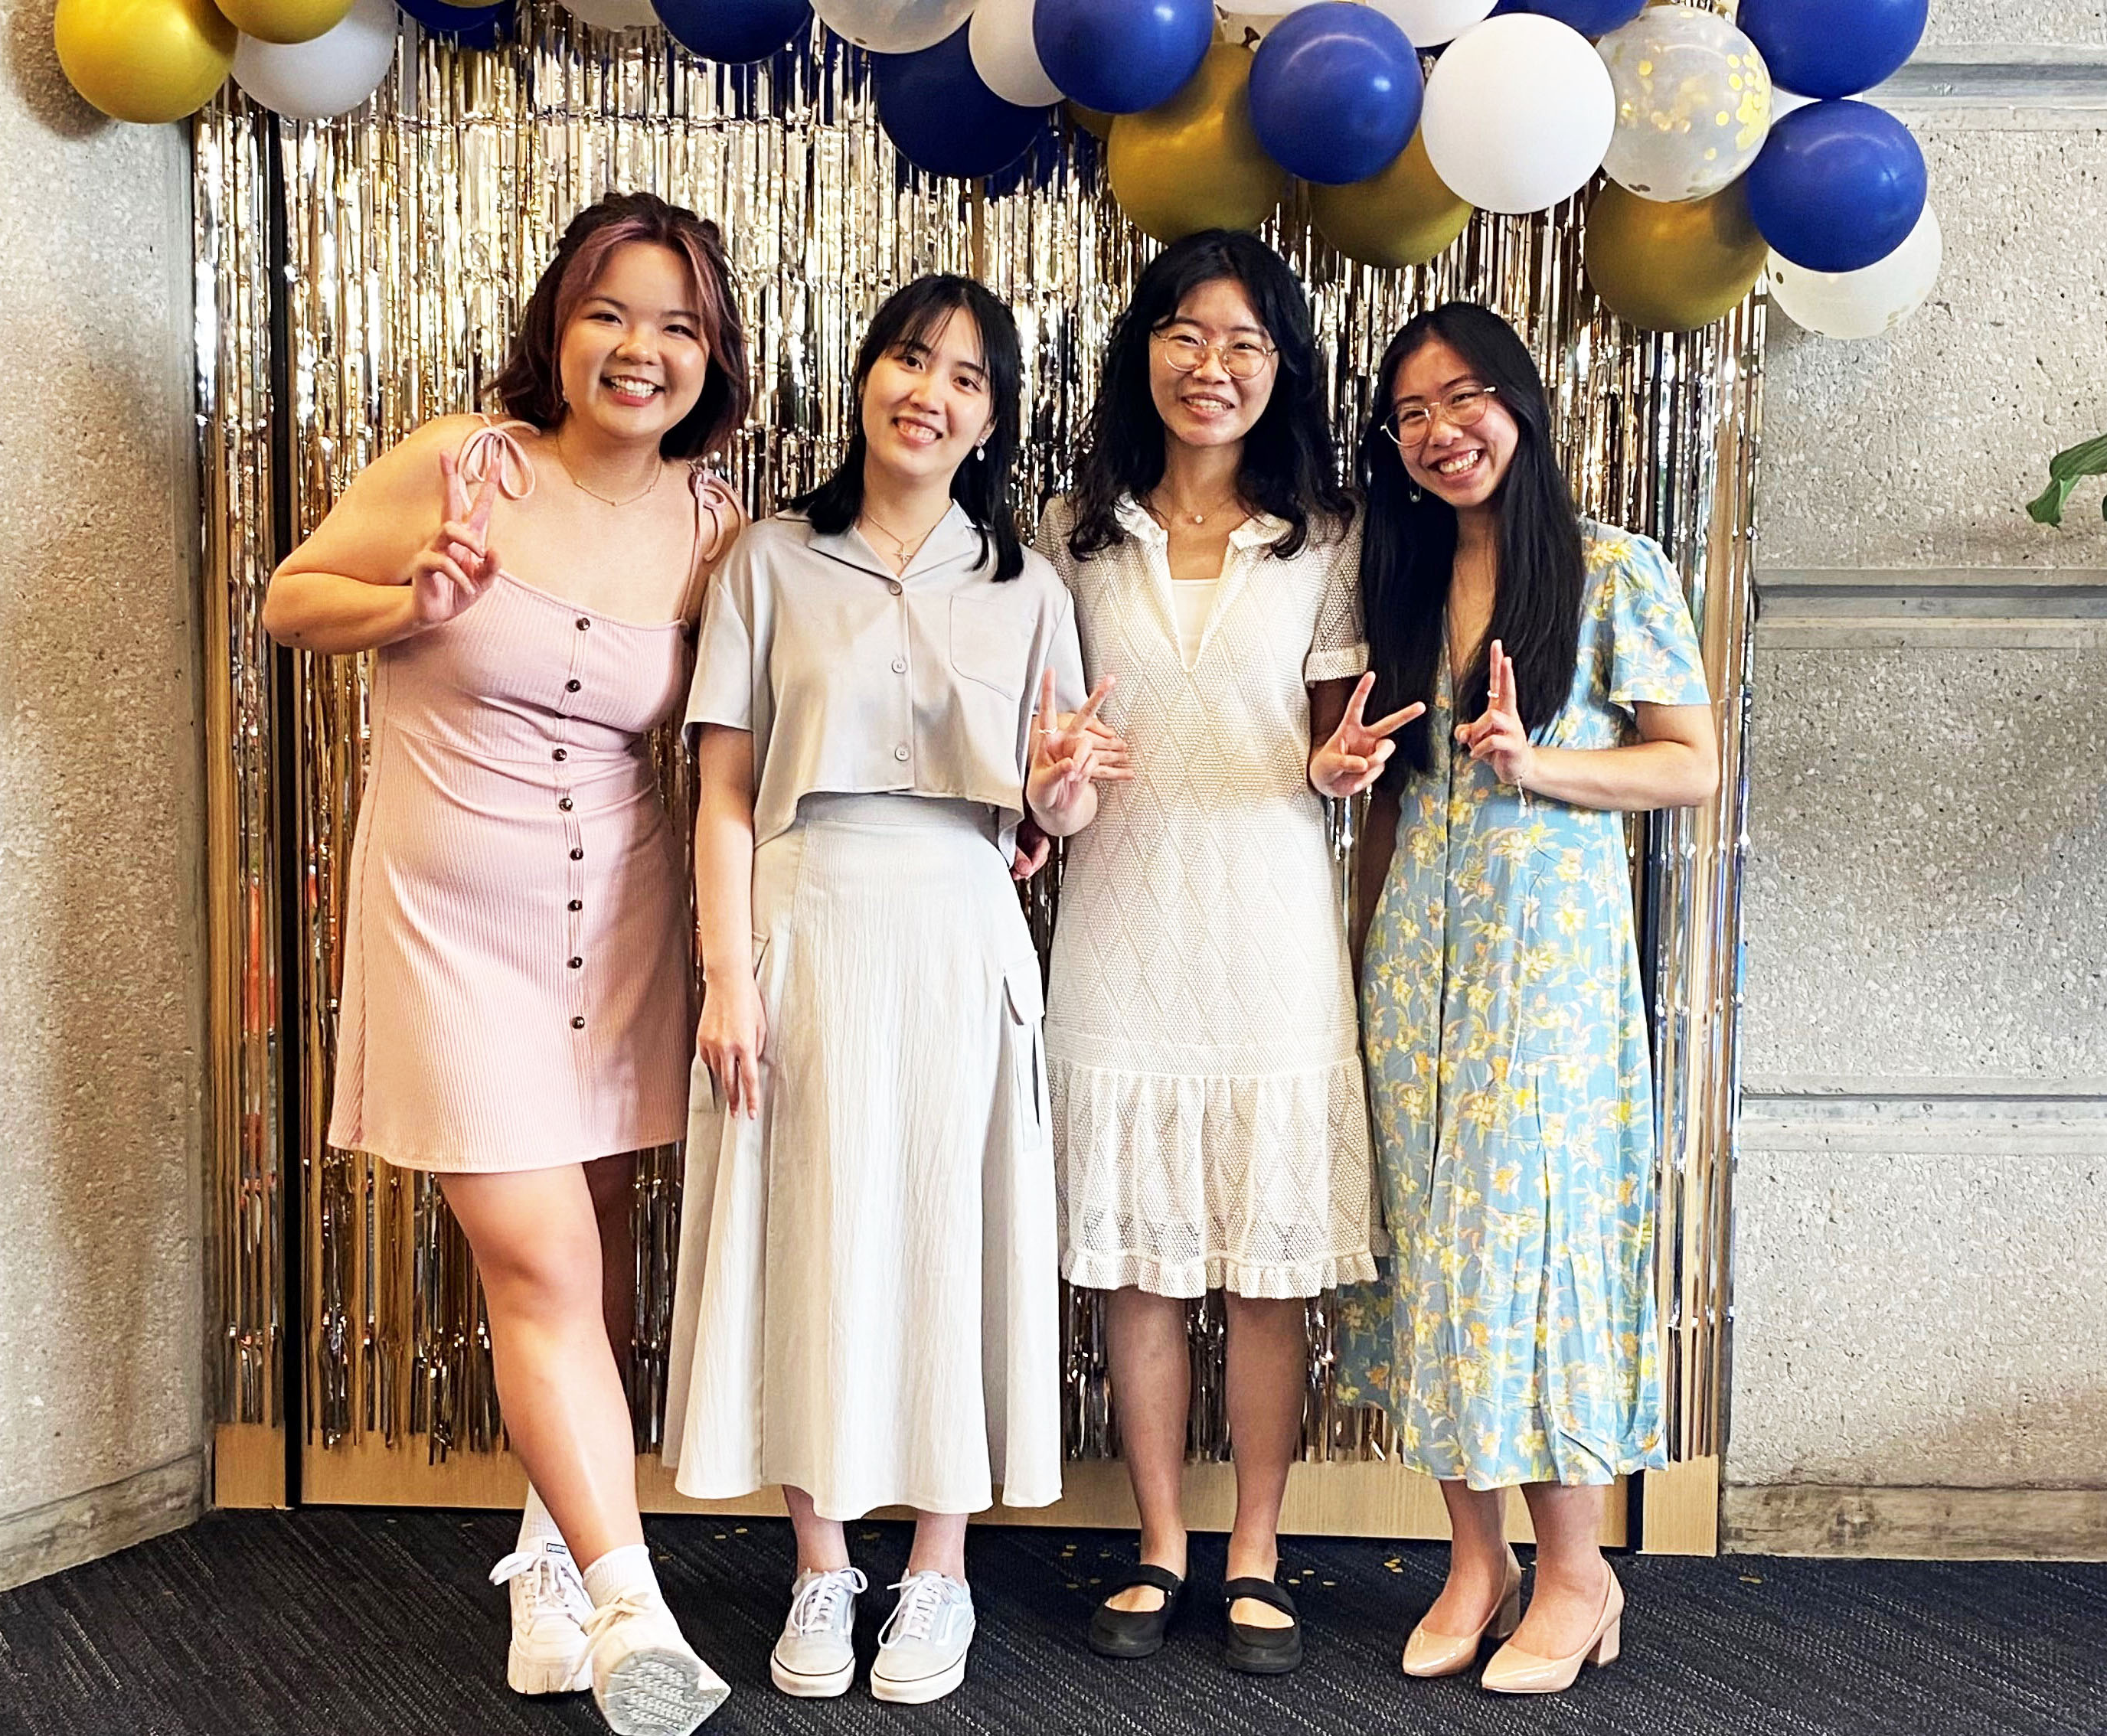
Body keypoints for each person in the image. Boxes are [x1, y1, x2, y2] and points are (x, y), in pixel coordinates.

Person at [262, 191, 747, 1736]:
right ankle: (631, 1610)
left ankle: (547, 1569)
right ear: (558, 319)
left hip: (618, 922)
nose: (639, 348)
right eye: (612, 310)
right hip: (446, 924)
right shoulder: (462, 460)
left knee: (587, 1258)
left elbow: (754, 740)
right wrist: (412, 600)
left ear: (711, 357)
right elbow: (288, 599)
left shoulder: (716, 524)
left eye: (677, 325)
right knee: (537, 1260)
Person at [662, 274, 1125, 1708]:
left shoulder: (1028, 587)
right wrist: (726, 979)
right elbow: (723, 792)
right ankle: (818, 1564)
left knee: (947, 1231)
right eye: (910, 360)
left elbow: (1061, 809)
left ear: (993, 417)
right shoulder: (766, 561)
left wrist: (1059, 788)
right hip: (805, 919)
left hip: (961, 923)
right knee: (805, 1229)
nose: (931, 392)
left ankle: (936, 1571)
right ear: (865, 377)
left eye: (968, 378)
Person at [1032, 229, 1416, 1676]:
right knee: (1139, 1270)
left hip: (1268, 932)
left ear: (1282, 371)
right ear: (1147, 350)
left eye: (1248, 344)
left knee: (1266, 1276)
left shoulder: (1321, 536)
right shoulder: (1075, 532)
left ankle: (1256, 1548)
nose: (1215, 366)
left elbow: (1339, 728)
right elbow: (1045, 738)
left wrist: (1340, 774)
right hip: (1121, 926)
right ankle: (1156, 1543)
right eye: (1190, 335)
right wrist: (1048, 770)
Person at [1341, 302, 1719, 1695]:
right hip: (1413, 968)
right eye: (1412, 416)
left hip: (1545, 974)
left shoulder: (1618, 571)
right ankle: (1474, 1558)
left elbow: (1688, 766)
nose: (1442, 434)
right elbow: (1387, 801)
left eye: (1465, 399)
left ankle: (1577, 1570)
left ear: (1521, 403)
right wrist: (1348, 808)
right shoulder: (1397, 580)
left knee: (1530, 1249)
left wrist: (1542, 765)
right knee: (1432, 1251)